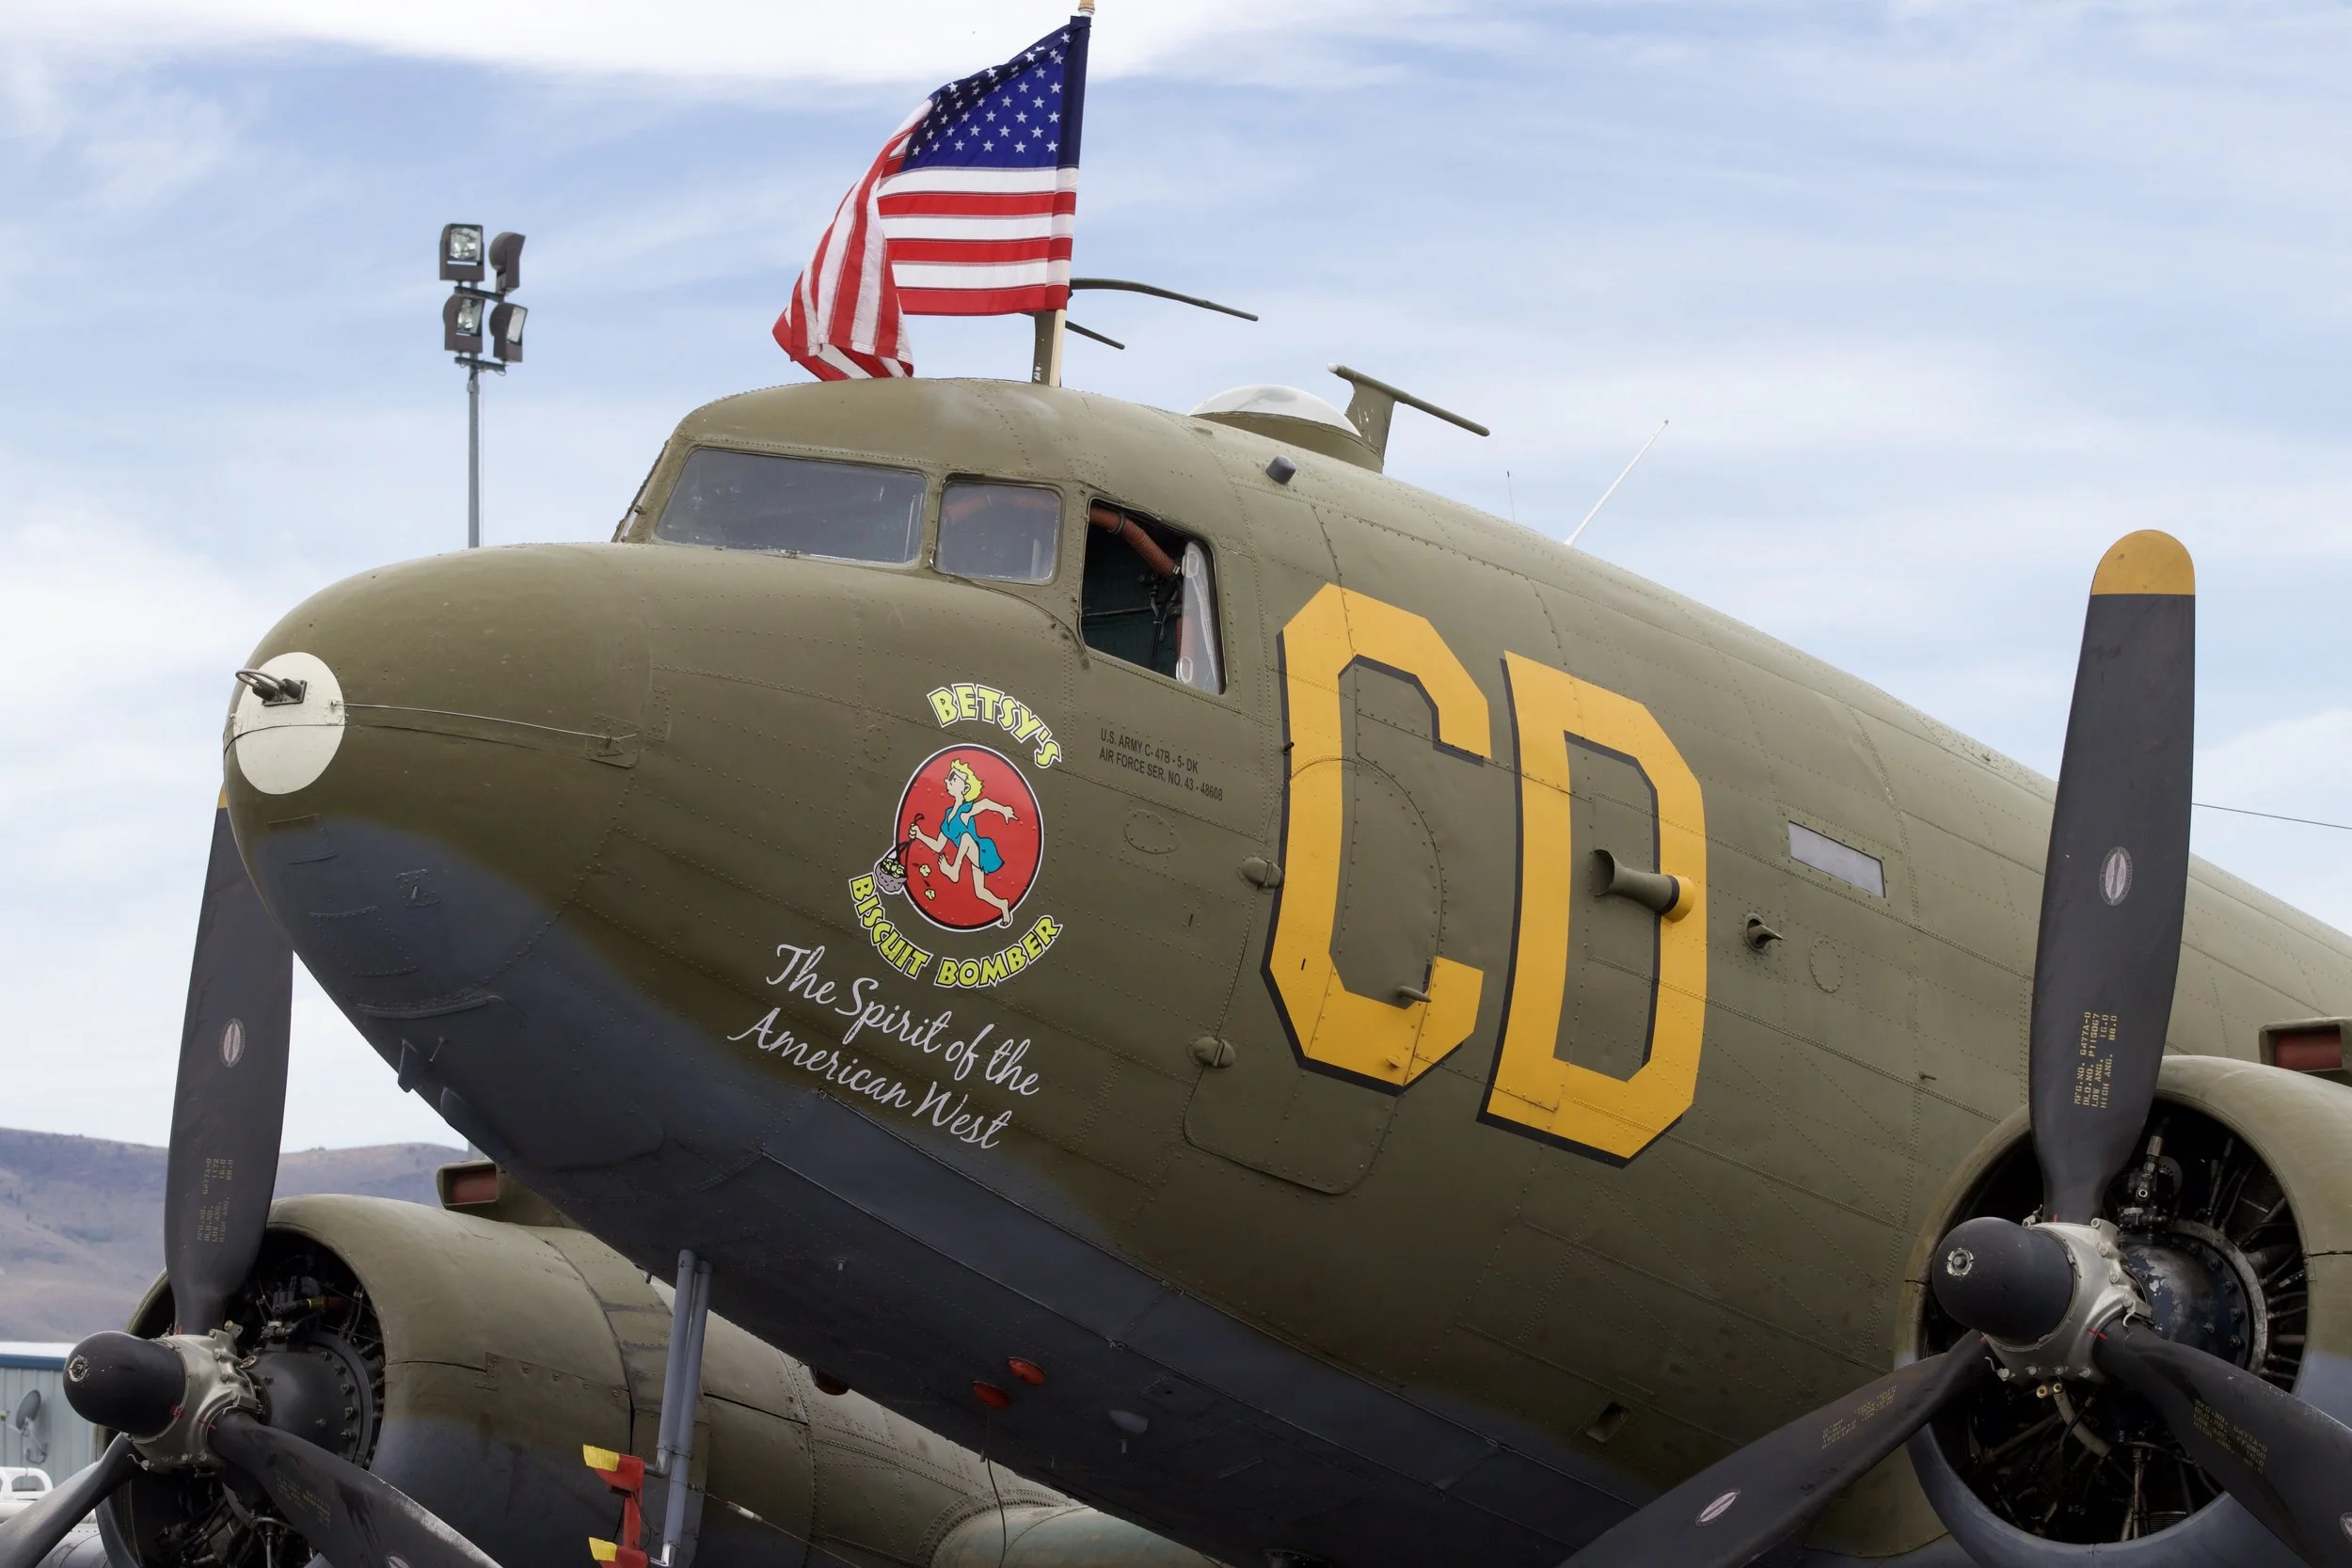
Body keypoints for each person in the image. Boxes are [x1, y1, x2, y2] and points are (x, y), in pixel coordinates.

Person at [912, 757, 1020, 926]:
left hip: (982, 849)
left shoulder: (965, 810)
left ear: (966, 788)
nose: (949, 781)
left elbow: (984, 804)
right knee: (980, 892)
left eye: (954, 778)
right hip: (969, 855)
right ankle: (1003, 906)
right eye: (949, 778)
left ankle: (955, 870)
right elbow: (938, 845)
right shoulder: (948, 815)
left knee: (966, 838)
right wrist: (919, 835)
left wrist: (1003, 809)